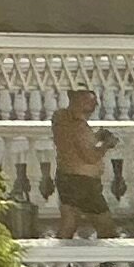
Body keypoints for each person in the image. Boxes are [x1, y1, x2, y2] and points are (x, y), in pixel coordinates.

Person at [49, 85, 109, 233]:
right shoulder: (78, 126)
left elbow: (73, 144)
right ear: (78, 100)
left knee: (69, 221)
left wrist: (95, 137)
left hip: (65, 176)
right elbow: (90, 156)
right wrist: (107, 145)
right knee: (105, 226)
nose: (95, 105)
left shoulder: (60, 118)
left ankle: (61, 247)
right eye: (91, 101)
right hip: (83, 182)